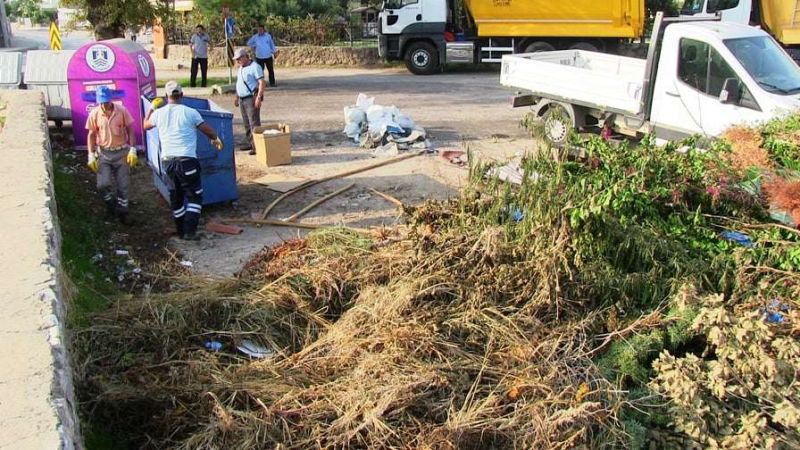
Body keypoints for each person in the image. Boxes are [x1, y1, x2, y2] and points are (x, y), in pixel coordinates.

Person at [143, 81, 223, 240]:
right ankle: (189, 231)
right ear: (182, 95)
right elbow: (206, 128)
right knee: (195, 196)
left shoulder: (159, 114)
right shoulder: (190, 112)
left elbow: (145, 125)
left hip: (167, 162)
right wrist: (215, 138)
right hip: (187, 160)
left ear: (166, 96)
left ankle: (180, 230)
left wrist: (152, 108)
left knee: (176, 196)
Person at [85, 85, 138, 224]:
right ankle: (110, 204)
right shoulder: (95, 114)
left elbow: (131, 129)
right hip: (104, 154)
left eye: (106, 102)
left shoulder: (121, 111)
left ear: (111, 100)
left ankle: (123, 213)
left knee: (123, 184)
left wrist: (132, 148)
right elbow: (91, 134)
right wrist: (90, 154)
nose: (104, 105)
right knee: (102, 184)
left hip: (121, 153)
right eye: (102, 102)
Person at [233, 47, 265, 155]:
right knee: (246, 123)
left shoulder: (255, 67)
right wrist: (237, 97)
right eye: (236, 59)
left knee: (254, 123)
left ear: (245, 57)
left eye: (239, 59)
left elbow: (261, 82)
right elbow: (240, 82)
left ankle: (257, 146)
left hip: (251, 97)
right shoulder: (241, 68)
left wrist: (259, 97)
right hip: (242, 98)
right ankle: (251, 143)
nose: (237, 61)